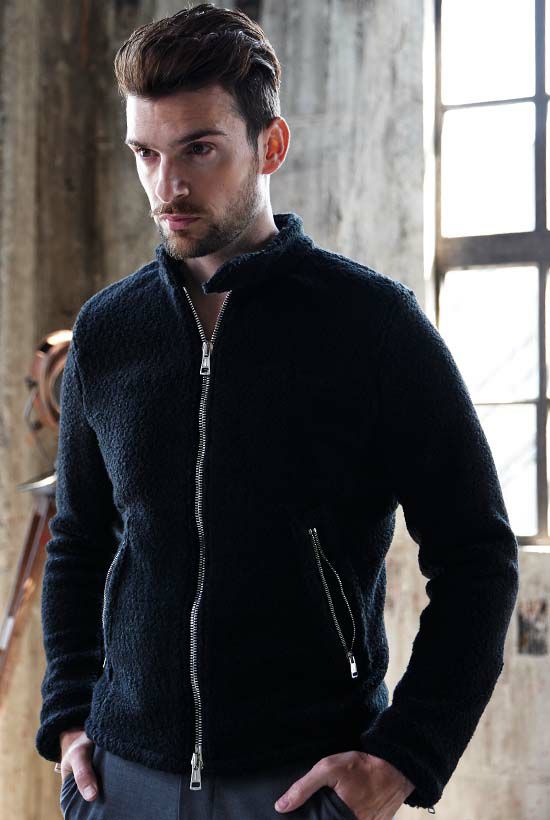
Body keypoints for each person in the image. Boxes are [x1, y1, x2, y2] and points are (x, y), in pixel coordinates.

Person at [35, 4, 519, 819]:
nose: (167, 186)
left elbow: (478, 555)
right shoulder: (108, 333)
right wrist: (71, 715)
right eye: (146, 154)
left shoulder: (374, 327)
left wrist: (406, 755)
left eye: (199, 149)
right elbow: (79, 540)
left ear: (271, 145)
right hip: (121, 780)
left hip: (300, 784)